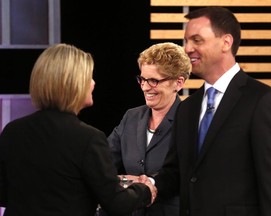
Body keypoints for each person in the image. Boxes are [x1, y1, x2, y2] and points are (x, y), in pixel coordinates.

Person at [141, 6, 271, 216]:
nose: (187, 48)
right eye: (186, 41)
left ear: (226, 42)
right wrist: (149, 184)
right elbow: (176, 173)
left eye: (197, 40)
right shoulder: (187, 108)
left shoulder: (261, 101)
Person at [0, 43, 157, 216]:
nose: (93, 83)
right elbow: (117, 203)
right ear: (73, 84)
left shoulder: (12, 131)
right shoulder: (88, 138)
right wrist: (145, 190)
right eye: (88, 77)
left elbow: (4, 195)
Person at [103, 42, 191, 216]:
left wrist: (146, 183)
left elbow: (185, 176)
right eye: (142, 79)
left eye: (154, 81)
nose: (144, 87)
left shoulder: (190, 121)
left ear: (178, 82)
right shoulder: (132, 117)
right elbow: (104, 160)